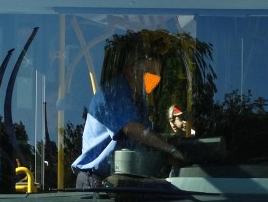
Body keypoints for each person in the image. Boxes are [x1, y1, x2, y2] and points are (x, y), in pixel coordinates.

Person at [72, 54, 184, 188]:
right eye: (149, 73)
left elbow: (145, 141)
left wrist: (165, 156)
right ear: (131, 70)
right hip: (96, 181)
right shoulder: (113, 92)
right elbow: (132, 129)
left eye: (157, 76)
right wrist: (169, 149)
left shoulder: (138, 101)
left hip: (122, 182)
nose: (154, 80)